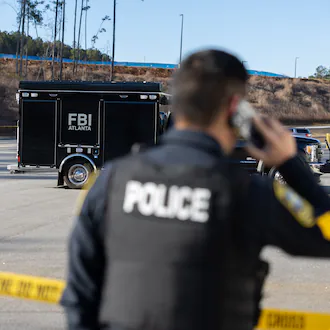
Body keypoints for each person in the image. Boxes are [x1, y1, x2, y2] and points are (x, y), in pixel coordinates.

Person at [60, 49, 330, 330]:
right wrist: (291, 165)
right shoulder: (249, 193)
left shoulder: (112, 181)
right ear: (236, 109)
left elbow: (79, 297)